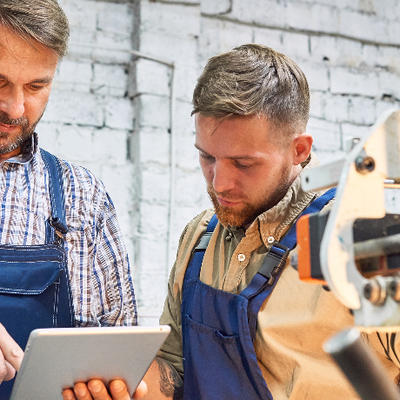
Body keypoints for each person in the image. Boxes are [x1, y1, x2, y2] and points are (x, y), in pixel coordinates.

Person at [64, 44, 400, 400]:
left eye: (243, 163)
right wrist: (123, 384)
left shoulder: (359, 236)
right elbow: (175, 368)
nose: (219, 183)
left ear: (299, 150)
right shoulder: (199, 238)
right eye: (207, 157)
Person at [0, 0, 137, 396]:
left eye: (37, 86)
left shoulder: (82, 196)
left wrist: (112, 385)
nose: (16, 108)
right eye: (0, 82)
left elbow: (120, 344)